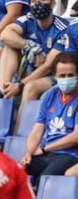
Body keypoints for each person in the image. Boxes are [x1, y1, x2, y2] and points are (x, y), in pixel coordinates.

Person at [0, 0, 74, 102]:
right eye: (33, 0)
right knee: (9, 46)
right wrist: (31, 47)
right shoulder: (28, 19)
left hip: (54, 74)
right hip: (32, 65)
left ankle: (22, 119)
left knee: (30, 87)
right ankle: (3, 89)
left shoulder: (63, 28)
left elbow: (48, 66)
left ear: (53, 4)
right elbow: (4, 35)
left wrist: (20, 85)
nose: (37, 3)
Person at [23, 52, 78, 180]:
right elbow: (37, 130)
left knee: (46, 178)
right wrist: (29, 153)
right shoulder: (50, 95)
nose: (66, 79)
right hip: (49, 154)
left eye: (70, 75)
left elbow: (75, 137)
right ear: (55, 76)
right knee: (16, 170)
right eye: (62, 76)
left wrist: (44, 149)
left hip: (70, 155)